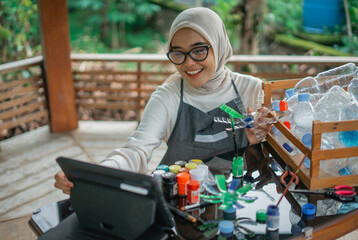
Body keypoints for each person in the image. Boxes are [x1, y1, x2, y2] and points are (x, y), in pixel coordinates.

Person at [55, 7, 271, 195]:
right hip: (178, 196)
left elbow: (278, 150)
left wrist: (263, 135)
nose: (188, 63)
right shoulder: (168, 96)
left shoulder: (251, 89)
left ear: (219, 44)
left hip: (237, 197)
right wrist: (95, 174)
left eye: (198, 50)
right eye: (178, 53)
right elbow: (136, 149)